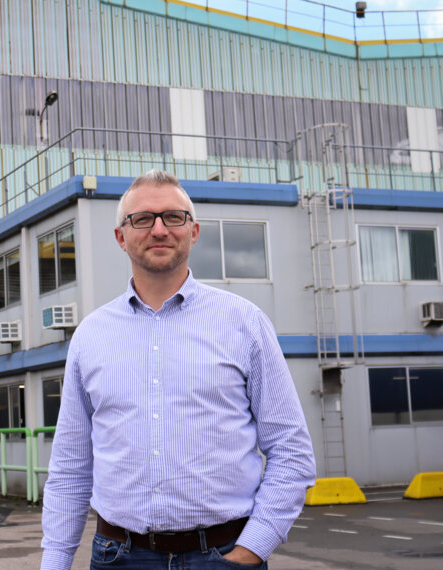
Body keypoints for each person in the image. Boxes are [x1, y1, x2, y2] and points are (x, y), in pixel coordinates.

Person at [40, 170, 316, 569]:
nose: (158, 229)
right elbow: (70, 466)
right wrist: (55, 562)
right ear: (121, 236)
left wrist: (250, 550)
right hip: (120, 557)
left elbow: (291, 450)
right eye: (142, 219)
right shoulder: (91, 336)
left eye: (173, 217)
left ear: (194, 230)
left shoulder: (245, 323)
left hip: (224, 555)